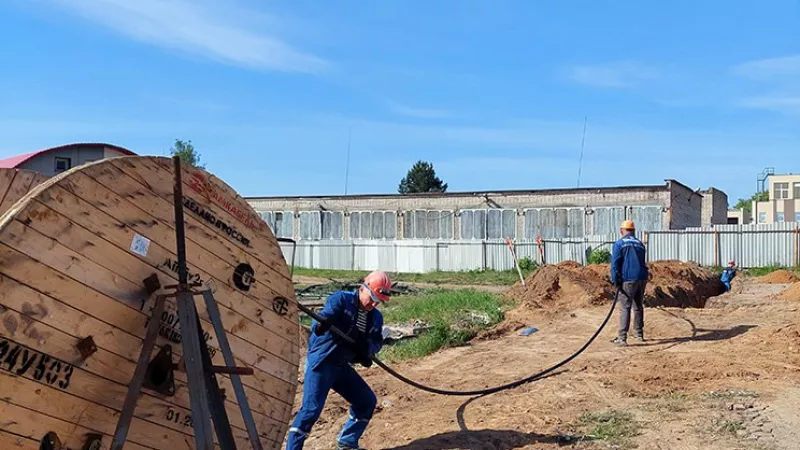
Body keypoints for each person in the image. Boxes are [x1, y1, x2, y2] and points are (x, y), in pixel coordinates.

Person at [285, 270, 391, 450]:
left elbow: (376, 341)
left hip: (341, 366)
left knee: (366, 401)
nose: (373, 303)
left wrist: (367, 350)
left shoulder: (375, 318)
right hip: (322, 362)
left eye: (378, 301)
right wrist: (323, 322)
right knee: (311, 411)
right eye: (372, 297)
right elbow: (326, 316)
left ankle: (347, 441)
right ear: (362, 288)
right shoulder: (341, 300)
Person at [609, 220, 649, 346]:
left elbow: (615, 264)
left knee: (625, 307)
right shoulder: (640, 244)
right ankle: (638, 334)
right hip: (641, 278)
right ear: (633, 231)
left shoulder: (620, 244)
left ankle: (622, 338)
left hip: (628, 279)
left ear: (622, 230)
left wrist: (615, 280)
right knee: (638, 306)